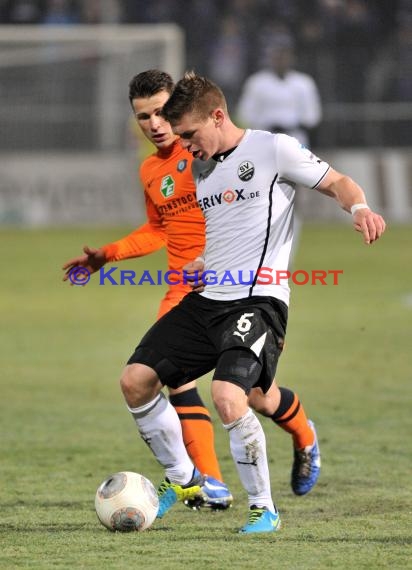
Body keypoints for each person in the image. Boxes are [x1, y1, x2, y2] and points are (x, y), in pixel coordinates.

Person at [118, 71, 385, 534]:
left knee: (229, 397)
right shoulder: (202, 168)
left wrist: (360, 208)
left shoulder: (272, 149)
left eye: (189, 135)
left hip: (258, 301)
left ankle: (264, 510)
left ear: (218, 116)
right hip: (208, 298)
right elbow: (226, 232)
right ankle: (183, 478)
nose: (185, 146)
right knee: (136, 381)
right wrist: (203, 261)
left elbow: (338, 182)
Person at [63, 70, 323, 517]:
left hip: (237, 290)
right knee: (166, 378)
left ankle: (303, 435)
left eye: (163, 112)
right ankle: (205, 482)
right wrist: (107, 255)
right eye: (144, 117)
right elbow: (158, 229)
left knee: (255, 396)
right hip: (185, 292)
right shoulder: (151, 169)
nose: (155, 124)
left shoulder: (207, 152)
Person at [236, 29, 322, 147]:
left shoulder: (304, 82)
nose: (281, 59)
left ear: (292, 57)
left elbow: (312, 116)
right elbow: (244, 114)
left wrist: (291, 126)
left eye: (285, 55)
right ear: (271, 57)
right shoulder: (256, 82)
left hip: (295, 139)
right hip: (264, 139)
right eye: (277, 55)